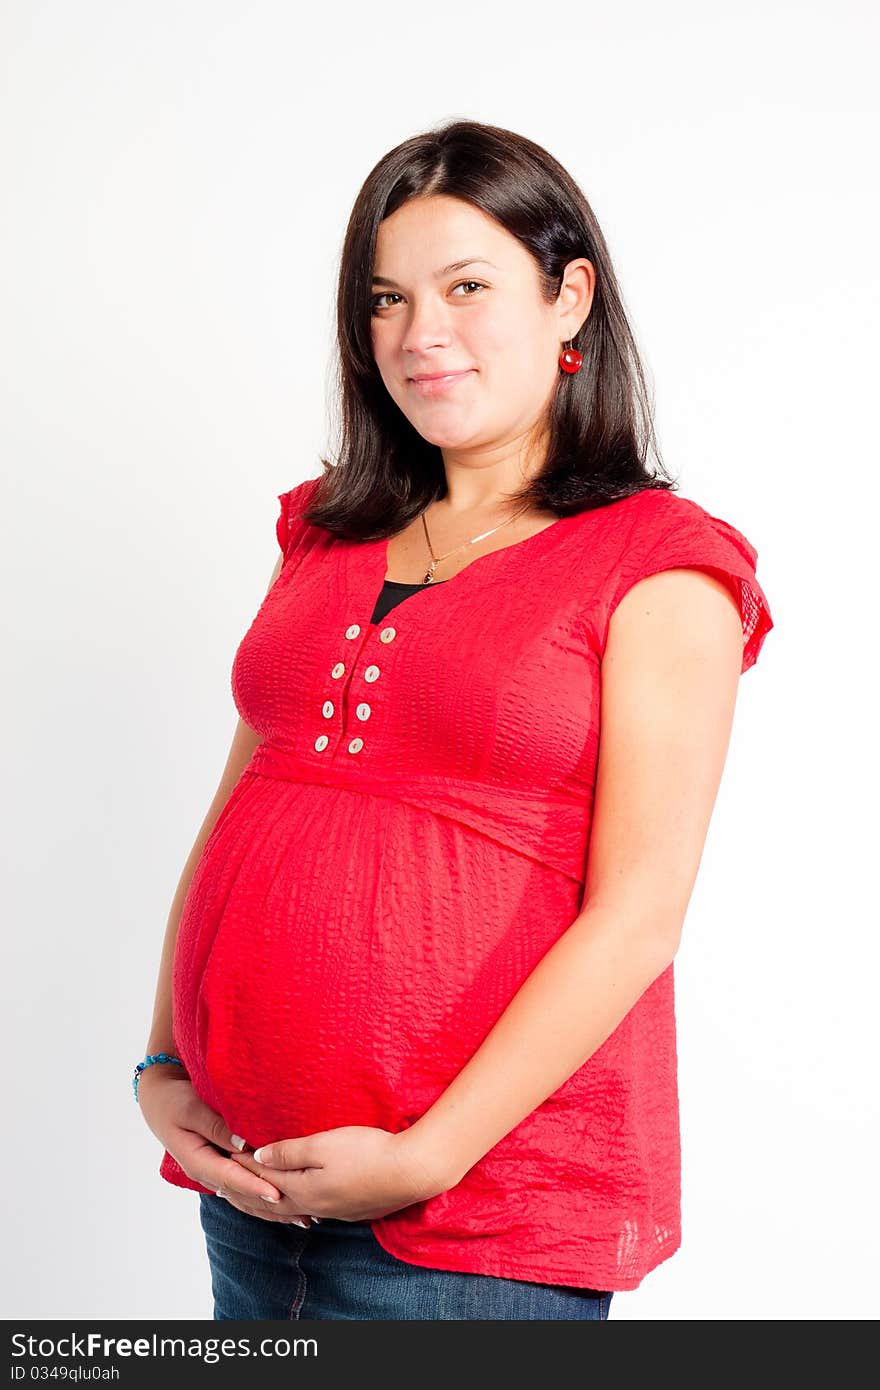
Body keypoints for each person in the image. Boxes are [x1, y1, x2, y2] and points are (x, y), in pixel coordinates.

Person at [135, 118, 774, 1321]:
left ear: (568, 296)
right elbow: (247, 798)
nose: (420, 334)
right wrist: (163, 1057)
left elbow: (636, 917)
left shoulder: (658, 567)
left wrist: (423, 1154)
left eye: (466, 286)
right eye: (386, 299)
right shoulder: (323, 530)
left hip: (481, 1233)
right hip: (247, 1191)